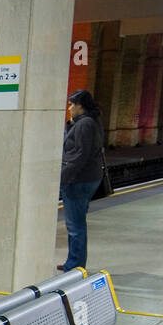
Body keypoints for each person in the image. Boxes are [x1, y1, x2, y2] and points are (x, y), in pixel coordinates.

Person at [58, 88, 104, 271]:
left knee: (75, 225)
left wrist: (64, 177)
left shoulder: (85, 124)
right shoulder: (88, 122)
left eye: (71, 104)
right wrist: (71, 124)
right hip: (87, 178)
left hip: (78, 180)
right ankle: (74, 261)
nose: (69, 108)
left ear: (80, 106)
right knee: (77, 222)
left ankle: (76, 264)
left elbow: (80, 154)